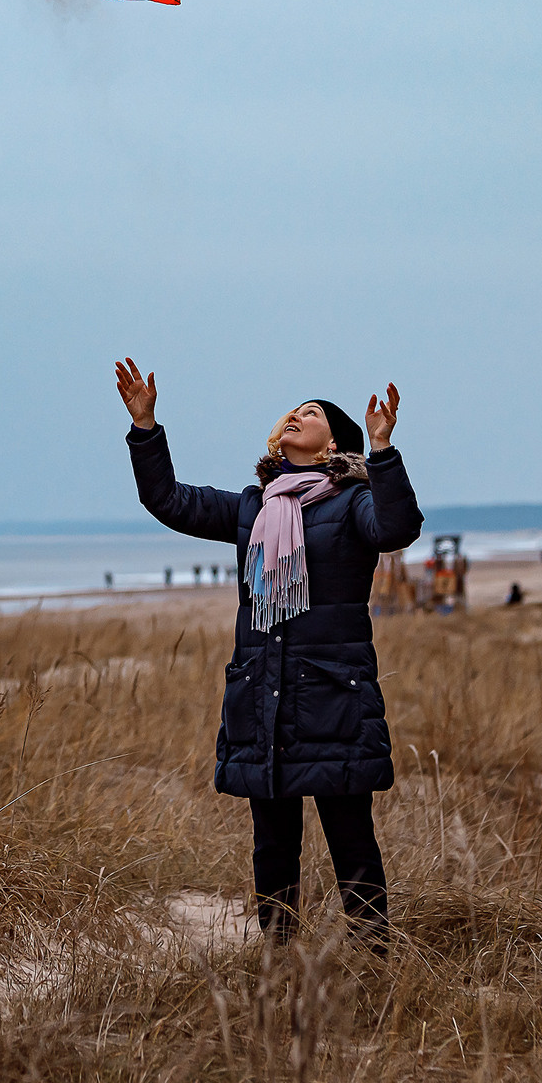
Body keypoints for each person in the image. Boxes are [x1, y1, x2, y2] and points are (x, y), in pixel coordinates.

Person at [114, 359, 421, 949]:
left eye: (310, 413)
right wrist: (146, 428)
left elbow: (397, 526)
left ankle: (374, 959)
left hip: (333, 696)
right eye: (292, 412)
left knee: (351, 841)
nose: (295, 417)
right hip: (266, 696)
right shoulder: (254, 508)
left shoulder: (354, 502)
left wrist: (381, 450)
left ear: (333, 440)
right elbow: (172, 502)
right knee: (273, 846)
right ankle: (280, 959)